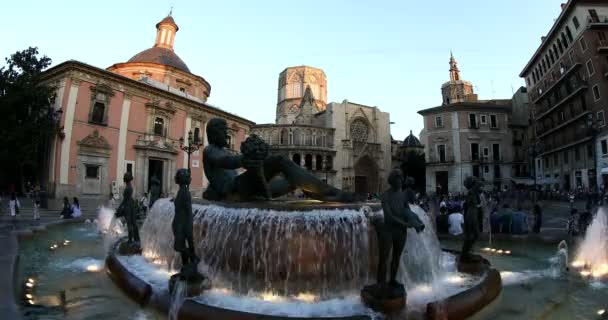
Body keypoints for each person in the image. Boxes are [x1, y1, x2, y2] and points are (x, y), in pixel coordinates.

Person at [202, 118, 355, 202]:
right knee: (279, 160)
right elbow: (226, 161)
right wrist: (245, 159)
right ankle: (334, 193)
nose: (226, 134)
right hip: (235, 191)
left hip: (250, 191)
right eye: (223, 131)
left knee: (295, 179)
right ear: (214, 133)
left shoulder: (223, 150)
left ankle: (324, 195)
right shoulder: (210, 151)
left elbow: (230, 159)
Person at [376, 169, 424, 285]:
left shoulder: (403, 195)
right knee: (384, 258)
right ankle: (380, 283)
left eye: (402, 177)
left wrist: (414, 219)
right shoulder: (385, 196)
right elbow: (389, 216)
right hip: (388, 231)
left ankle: (392, 280)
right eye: (398, 178)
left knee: (396, 257)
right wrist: (406, 224)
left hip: (401, 232)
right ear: (392, 180)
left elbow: (406, 209)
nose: (401, 180)